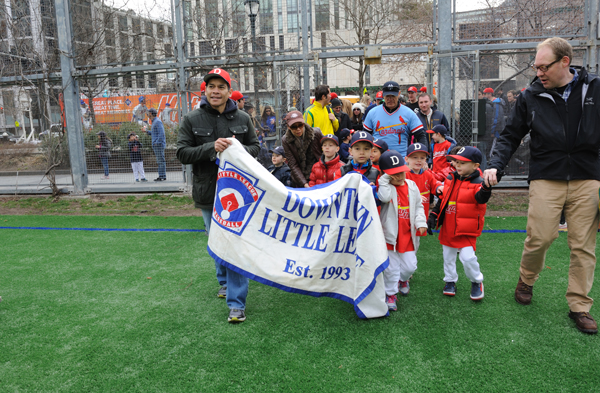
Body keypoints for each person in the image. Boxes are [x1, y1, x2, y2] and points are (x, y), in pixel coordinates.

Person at [483, 37, 600, 335]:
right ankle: (527, 278)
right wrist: (495, 163)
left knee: (583, 246)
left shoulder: (595, 89)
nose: (539, 73)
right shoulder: (530, 96)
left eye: (543, 67)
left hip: (588, 176)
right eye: (535, 67)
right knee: (540, 237)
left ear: (565, 62)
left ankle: (580, 306)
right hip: (547, 175)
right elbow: (510, 134)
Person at [176, 68, 260, 323]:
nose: (215, 90)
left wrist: (237, 148)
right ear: (205, 90)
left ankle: (236, 303)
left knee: (233, 244)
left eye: (220, 86)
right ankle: (223, 281)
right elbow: (182, 153)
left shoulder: (243, 118)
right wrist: (210, 147)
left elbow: (256, 149)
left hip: (238, 194)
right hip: (207, 191)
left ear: (228, 91)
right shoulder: (192, 119)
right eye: (211, 86)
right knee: (216, 242)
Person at [428, 146, 491, 301]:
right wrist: (434, 215)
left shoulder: (479, 183)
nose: (457, 165)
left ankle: (476, 281)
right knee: (448, 257)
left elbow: (481, 198)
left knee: (468, 258)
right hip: (449, 227)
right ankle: (450, 281)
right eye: (456, 162)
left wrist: (487, 188)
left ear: (476, 166)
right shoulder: (450, 178)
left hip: (466, 229)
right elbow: (443, 200)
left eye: (462, 163)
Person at [377, 150, 427, 310]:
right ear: (387, 175)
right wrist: (384, 179)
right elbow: (384, 198)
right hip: (390, 236)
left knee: (410, 266)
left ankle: (403, 280)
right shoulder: (386, 187)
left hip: (408, 235)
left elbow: (419, 206)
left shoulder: (412, 185)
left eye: (401, 172)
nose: (399, 176)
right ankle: (390, 294)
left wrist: (421, 222)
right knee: (391, 268)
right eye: (394, 174)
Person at [363, 81, 427, 157]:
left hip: (401, 160)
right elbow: (365, 137)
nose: (390, 99)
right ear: (383, 95)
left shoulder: (408, 113)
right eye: (387, 96)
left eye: (393, 96)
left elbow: (421, 135)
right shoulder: (372, 113)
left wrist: (424, 156)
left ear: (399, 94)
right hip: (378, 161)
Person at [281, 110, 323, 188]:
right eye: (294, 127)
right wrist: (304, 183)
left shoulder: (316, 133)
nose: (298, 129)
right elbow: (292, 164)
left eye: (300, 125)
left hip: (318, 175)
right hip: (299, 179)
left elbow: (325, 153)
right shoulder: (286, 140)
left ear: (304, 123)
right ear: (288, 127)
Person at [405, 143, 443, 218]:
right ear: (406, 159)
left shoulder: (427, 174)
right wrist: (414, 196)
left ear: (425, 160)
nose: (419, 160)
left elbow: (435, 184)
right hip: (407, 214)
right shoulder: (403, 175)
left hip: (423, 214)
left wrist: (439, 187)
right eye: (415, 157)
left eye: (422, 158)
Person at [483, 87, 506, 161]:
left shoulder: (496, 103)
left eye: (484, 94)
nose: (484, 96)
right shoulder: (496, 103)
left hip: (497, 131)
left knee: (492, 152)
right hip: (497, 129)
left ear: (489, 94)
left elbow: (496, 118)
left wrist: (492, 131)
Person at [147, 108, 167, 181]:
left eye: (148, 113)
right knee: (160, 160)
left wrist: (157, 142)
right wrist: (147, 132)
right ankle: (161, 175)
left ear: (151, 114)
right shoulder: (155, 122)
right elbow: (155, 133)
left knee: (160, 160)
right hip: (157, 144)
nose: (147, 114)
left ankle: (162, 176)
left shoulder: (157, 122)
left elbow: (161, 133)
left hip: (158, 145)